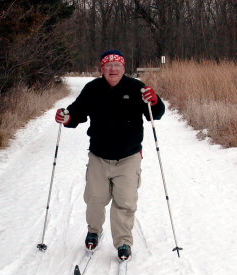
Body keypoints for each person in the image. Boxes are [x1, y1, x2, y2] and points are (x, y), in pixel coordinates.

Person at [55, 49, 165, 260]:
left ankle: (123, 242)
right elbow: (76, 113)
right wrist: (66, 117)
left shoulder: (136, 87)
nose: (112, 69)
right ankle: (93, 232)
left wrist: (154, 100)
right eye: (108, 66)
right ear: (102, 69)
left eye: (117, 65)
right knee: (95, 198)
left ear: (124, 68)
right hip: (99, 155)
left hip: (128, 156)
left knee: (125, 201)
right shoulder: (92, 89)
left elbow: (156, 114)